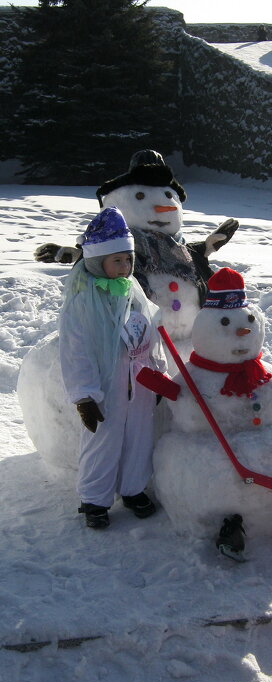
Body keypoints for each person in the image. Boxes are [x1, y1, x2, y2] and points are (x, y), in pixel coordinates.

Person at [59, 206, 165, 529]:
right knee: (102, 440)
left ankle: (132, 489)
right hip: (104, 384)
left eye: (128, 260)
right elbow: (77, 350)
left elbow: (151, 333)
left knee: (139, 437)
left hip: (138, 380)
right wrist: (85, 396)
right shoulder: (82, 300)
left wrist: (157, 374)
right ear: (96, 261)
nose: (124, 267)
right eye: (116, 260)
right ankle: (94, 498)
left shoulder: (134, 291)